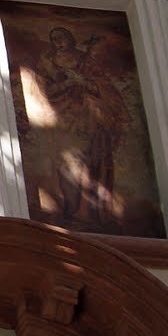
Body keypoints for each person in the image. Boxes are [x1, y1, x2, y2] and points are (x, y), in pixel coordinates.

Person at [34, 26, 126, 224]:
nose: (59, 42)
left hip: (91, 118)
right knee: (71, 164)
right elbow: (46, 91)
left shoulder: (86, 61)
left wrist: (83, 81)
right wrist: (68, 83)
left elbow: (102, 87)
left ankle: (95, 212)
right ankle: (73, 210)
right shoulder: (49, 64)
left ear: (71, 39)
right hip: (67, 120)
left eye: (62, 37)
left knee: (95, 160)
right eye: (54, 38)